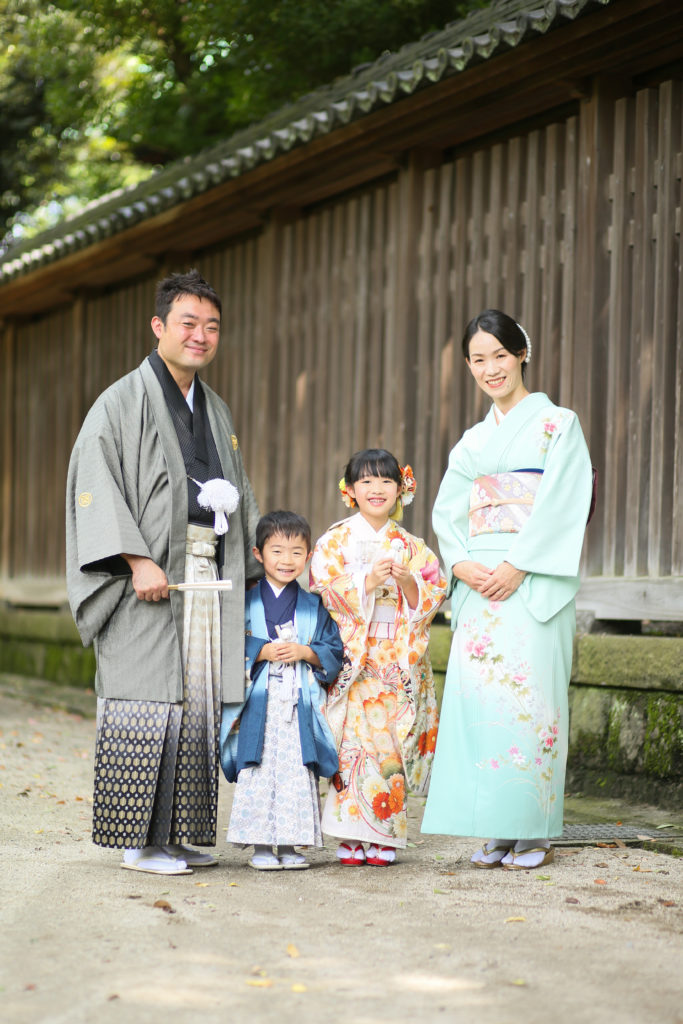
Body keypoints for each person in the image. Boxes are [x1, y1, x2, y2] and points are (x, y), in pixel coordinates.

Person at [66, 269, 262, 875]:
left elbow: (238, 492)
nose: (201, 335)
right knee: (146, 698)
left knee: (195, 700)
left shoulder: (215, 408)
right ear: (159, 326)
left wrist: (256, 553)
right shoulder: (119, 402)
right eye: (188, 323)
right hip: (145, 578)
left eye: (212, 326)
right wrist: (135, 558)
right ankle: (139, 842)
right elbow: (95, 484)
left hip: (204, 571)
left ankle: (177, 835)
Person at [421, 309, 593, 870]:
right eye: (478, 359)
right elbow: (448, 511)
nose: (490, 368)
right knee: (483, 706)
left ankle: (533, 830)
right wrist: (462, 563)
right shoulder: (472, 442)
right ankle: (496, 828)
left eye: (500, 354)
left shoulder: (558, 424)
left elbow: (566, 501)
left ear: (522, 353)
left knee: (531, 703)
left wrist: (519, 565)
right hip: (481, 584)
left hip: (533, 579)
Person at [310, 450, 447, 866]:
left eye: (386, 481)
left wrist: (409, 584)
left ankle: (385, 834)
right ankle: (349, 833)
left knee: (391, 744)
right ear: (350, 490)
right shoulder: (334, 540)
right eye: (366, 481)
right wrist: (366, 581)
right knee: (351, 744)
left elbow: (433, 594)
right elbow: (321, 588)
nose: (376, 489)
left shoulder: (413, 547)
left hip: (395, 660)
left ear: (400, 489)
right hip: (355, 658)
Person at [220, 511, 344, 870]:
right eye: (276, 551)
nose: (286, 560)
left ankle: (290, 844)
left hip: (297, 699)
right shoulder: (246, 601)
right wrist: (261, 651)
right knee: (257, 768)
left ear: (308, 556)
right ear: (258, 554)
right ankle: (261, 846)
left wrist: (306, 652)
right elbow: (227, 641)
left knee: (296, 770)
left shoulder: (313, 604)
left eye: (296, 552)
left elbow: (332, 649)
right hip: (259, 700)